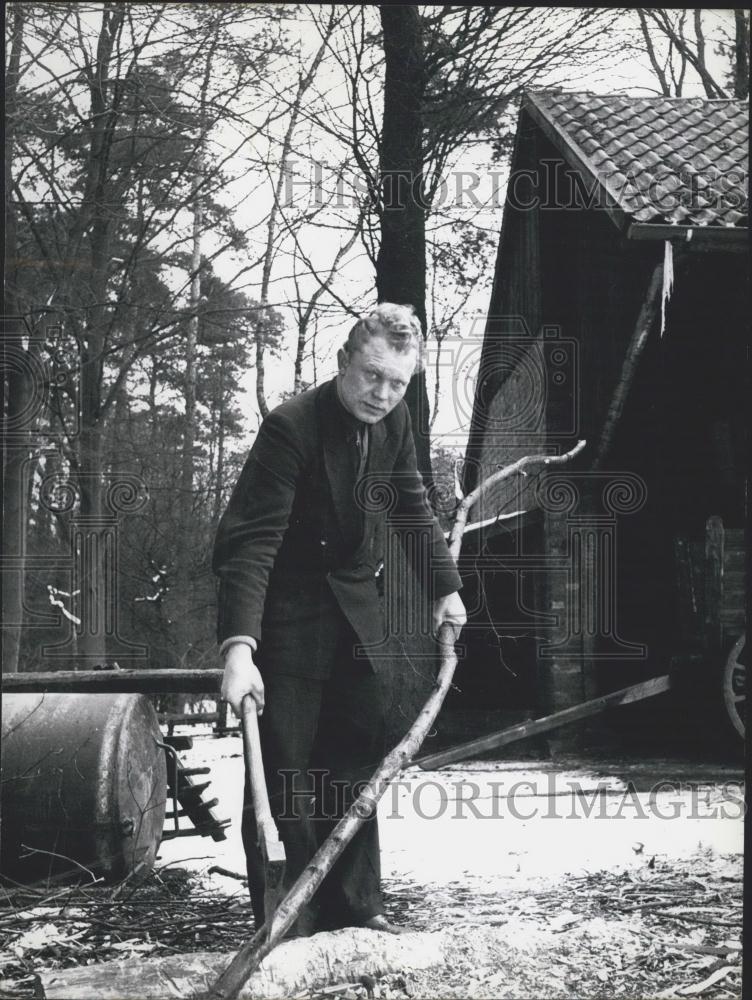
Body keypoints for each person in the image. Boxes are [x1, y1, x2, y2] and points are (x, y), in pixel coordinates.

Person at [212, 302, 465, 936]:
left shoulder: (396, 418)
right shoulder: (290, 428)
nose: (382, 394)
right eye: (371, 375)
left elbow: (409, 498)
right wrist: (240, 647)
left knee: (354, 761)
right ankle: (286, 922)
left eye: (397, 382)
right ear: (342, 361)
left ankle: (355, 911)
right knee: (286, 769)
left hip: (357, 617)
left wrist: (444, 587)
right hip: (288, 619)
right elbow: (251, 542)